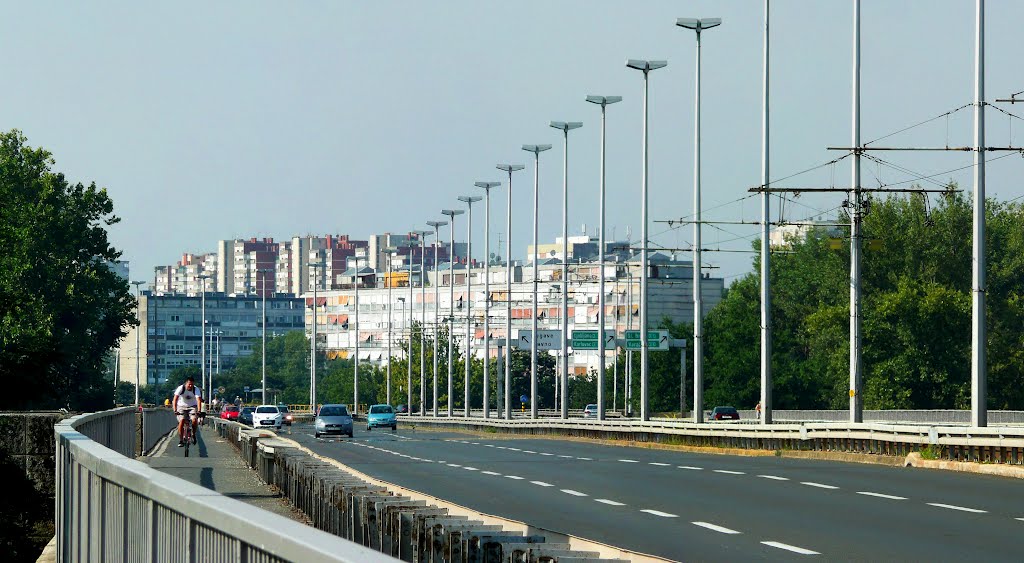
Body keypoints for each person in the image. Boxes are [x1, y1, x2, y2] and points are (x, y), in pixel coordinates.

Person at [173, 376, 203, 447]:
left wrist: (199, 410)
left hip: (192, 406)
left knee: (194, 420)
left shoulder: (196, 389)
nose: (190, 386)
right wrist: (175, 410)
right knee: (182, 420)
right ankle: (181, 440)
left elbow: (198, 400)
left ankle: (193, 433)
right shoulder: (181, 388)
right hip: (181, 406)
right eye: (189, 384)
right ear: (186, 383)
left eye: (192, 384)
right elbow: (175, 399)